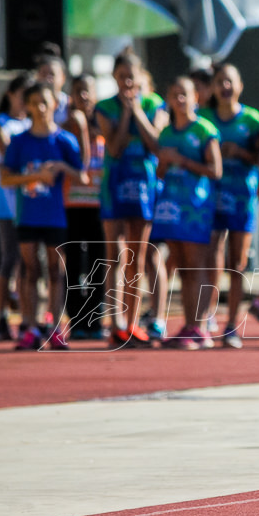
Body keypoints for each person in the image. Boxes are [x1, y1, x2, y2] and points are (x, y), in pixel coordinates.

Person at [0, 82, 87, 350]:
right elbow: (5, 177)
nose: (39, 108)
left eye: (44, 102)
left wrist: (61, 166)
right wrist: (35, 176)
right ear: (27, 106)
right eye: (34, 102)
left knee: (55, 271)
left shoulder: (64, 140)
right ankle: (29, 326)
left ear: (55, 105)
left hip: (55, 216)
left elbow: (82, 176)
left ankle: (55, 327)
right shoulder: (20, 141)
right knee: (29, 270)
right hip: (27, 216)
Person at [95, 48, 169, 348]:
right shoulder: (104, 107)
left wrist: (137, 110)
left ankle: (135, 322)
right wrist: (125, 113)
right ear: (114, 77)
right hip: (115, 184)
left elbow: (156, 144)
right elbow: (113, 148)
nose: (127, 83)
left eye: (132, 77)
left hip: (144, 186)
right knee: (116, 255)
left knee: (138, 258)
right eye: (122, 77)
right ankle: (117, 323)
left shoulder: (155, 104)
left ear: (141, 78)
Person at [152, 76, 222, 350]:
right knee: (181, 268)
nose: (179, 100)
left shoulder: (205, 130)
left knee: (196, 266)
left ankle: (200, 326)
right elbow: (160, 172)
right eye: (174, 94)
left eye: (185, 94)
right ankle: (188, 325)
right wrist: (164, 163)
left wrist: (182, 160)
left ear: (196, 98)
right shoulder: (166, 133)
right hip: (171, 206)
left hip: (196, 207)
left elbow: (216, 171)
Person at [201, 63, 259, 349]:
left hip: (242, 198)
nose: (225, 87)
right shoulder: (202, 118)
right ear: (213, 86)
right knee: (211, 257)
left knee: (238, 263)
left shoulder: (252, 119)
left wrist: (239, 152)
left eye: (230, 81)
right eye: (219, 81)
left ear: (240, 85)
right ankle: (206, 319)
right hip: (209, 198)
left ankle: (232, 325)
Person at [62, 74, 107, 340]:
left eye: (88, 91)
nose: (84, 96)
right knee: (73, 263)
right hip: (71, 206)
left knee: (96, 263)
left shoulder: (105, 129)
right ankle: (76, 319)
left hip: (99, 207)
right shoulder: (65, 131)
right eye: (78, 91)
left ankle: (95, 319)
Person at [0, 72, 34, 340]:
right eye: (22, 95)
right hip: (7, 203)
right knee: (9, 259)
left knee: (29, 263)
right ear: (11, 94)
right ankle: (1, 317)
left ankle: (26, 317)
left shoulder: (33, 124)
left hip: (31, 202)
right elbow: (10, 158)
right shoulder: (0, 123)